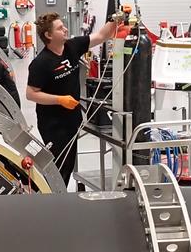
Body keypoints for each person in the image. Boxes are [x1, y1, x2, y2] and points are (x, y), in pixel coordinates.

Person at [26, 11, 121, 188]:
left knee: (68, 164)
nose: (65, 29)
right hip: (53, 125)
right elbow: (31, 94)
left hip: (72, 120)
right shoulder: (41, 63)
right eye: (60, 28)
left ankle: (58, 196)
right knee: (59, 166)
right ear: (48, 35)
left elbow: (101, 36)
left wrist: (114, 20)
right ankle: (52, 199)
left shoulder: (72, 46)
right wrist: (59, 99)